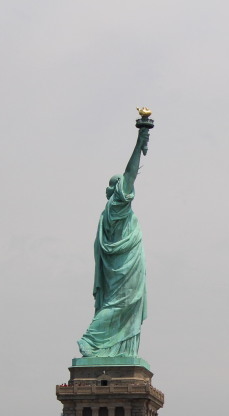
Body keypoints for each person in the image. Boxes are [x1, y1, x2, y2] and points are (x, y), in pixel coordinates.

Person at [78, 125, 152, 358]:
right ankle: (91, 340)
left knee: (124, 304)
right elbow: (129, 174)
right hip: (123, 267)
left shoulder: (111, 213)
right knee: (120, 303)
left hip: (125, 264)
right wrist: (139, 143)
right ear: (117, 190)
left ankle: (117, 350)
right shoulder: (116, 208)